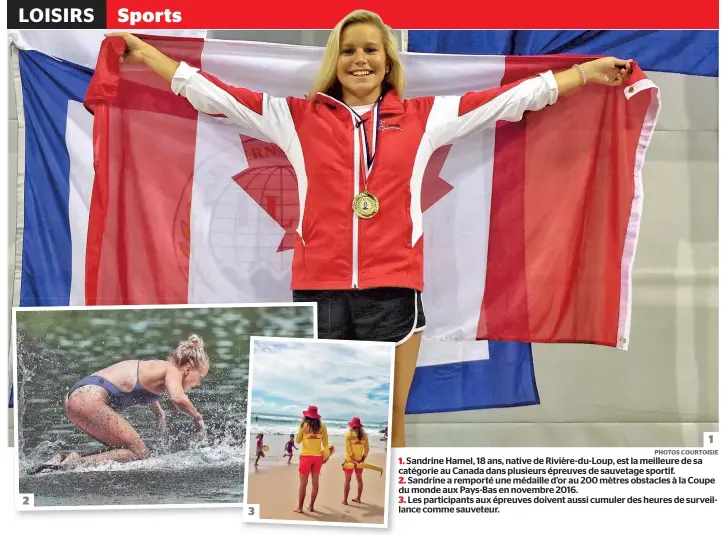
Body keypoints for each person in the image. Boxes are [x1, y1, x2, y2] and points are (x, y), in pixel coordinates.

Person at [106, 12, 632, 448]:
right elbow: (207, 91)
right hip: (319, 291)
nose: (360, 60)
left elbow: (514, 99)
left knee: (389, 425)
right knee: (321, 420)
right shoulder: (295, 117)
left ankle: (398, 520)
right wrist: (143, 51)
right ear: (335, 60)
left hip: (394, 289)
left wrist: (585, 74)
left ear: (388, 61)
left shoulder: (427, 116)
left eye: (371, 51)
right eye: (349, 50)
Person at [55, 334, 208, 467]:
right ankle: (75, 463)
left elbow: (141, 386)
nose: (199, 384)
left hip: (76, 398)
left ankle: (62, 459)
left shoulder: (157, 367)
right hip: (88, 398)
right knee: (139, 452)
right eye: (200, 377)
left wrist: (159, 412)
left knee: (120, 449)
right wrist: (197, 417)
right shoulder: (172, 371)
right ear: (188, 368)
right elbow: (178, 398)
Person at [294, 405, 329, 513]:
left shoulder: (303, 425)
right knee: (315, 483)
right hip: (318, 458)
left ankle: (300, 508)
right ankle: (311, 506)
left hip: (306, 457)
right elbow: (326, 444)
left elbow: (298, 441)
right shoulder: (322, 427)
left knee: (303, 483)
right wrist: (326, 457)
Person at [342, 417, 370, 505]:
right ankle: (358, 498)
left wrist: (352, 459)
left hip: (349, 461)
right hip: (359, 461)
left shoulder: (348, 434)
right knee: (359, 479)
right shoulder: (364, 435)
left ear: (352, 425)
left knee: (347, 480)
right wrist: (363, 459)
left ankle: (345, 500)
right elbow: (367, 448)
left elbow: (348, 448)